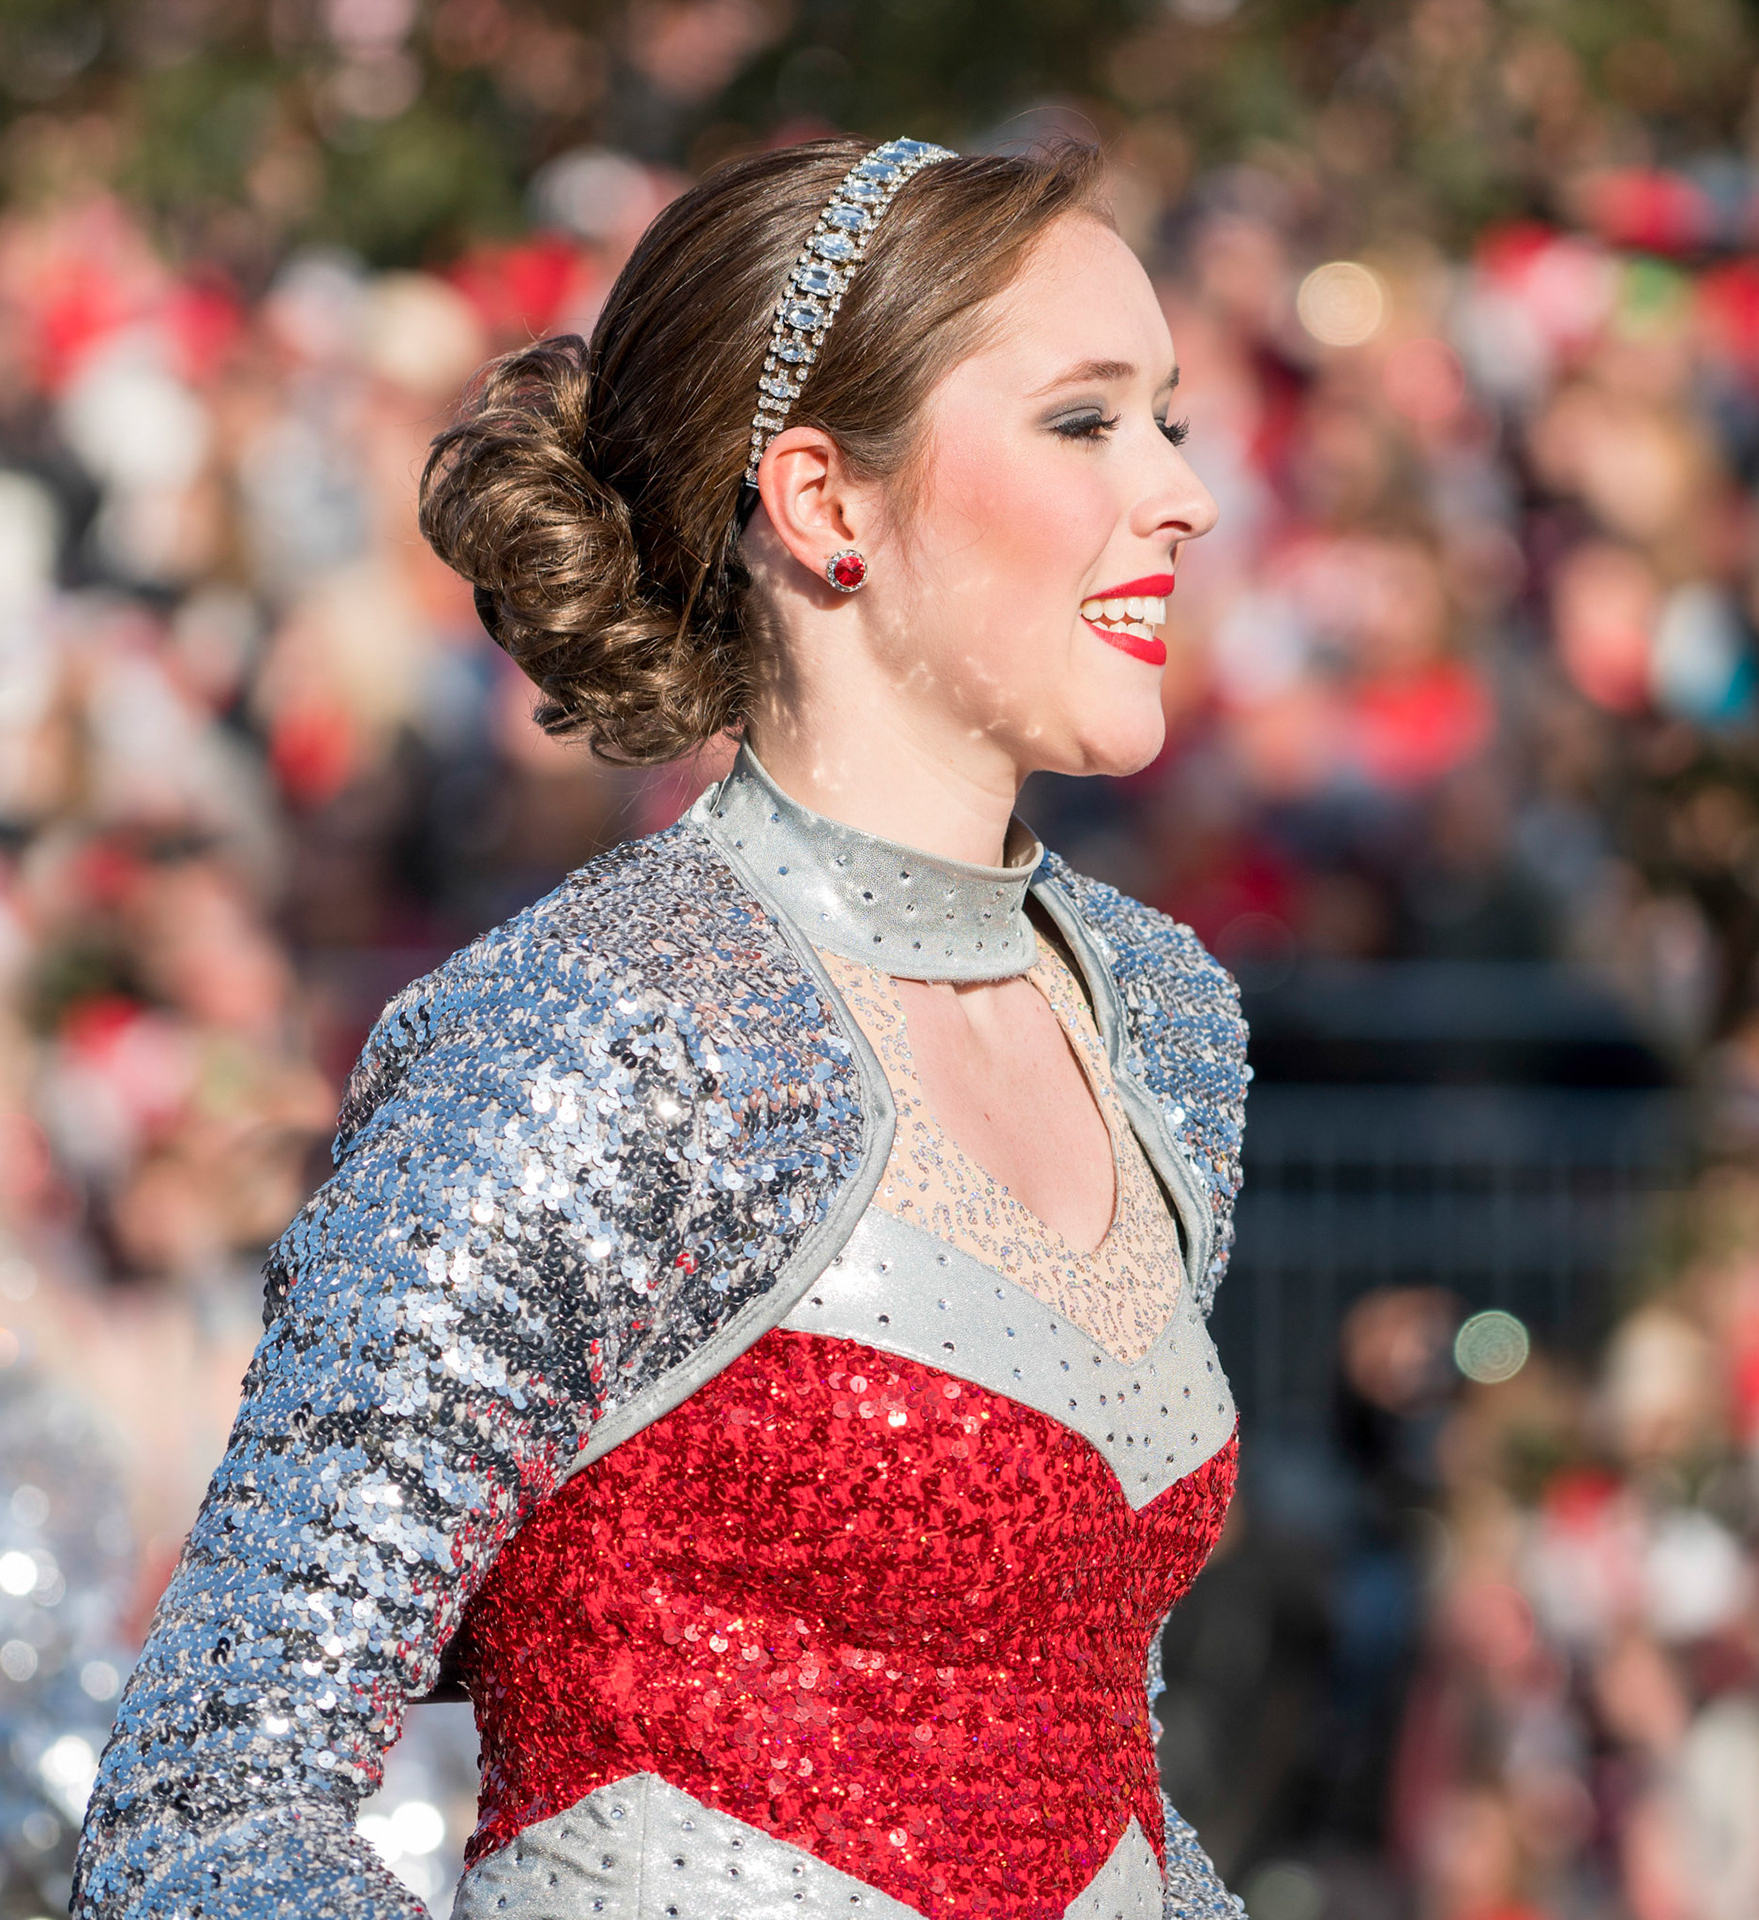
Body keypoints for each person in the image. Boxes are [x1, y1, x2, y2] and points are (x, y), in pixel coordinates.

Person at [73, 135, 1250, 1920]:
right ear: (825, 503)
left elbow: (1097, 1776)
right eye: (1087, 423)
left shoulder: (1167, 1021)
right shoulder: (595, 1031)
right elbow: (213, 1806)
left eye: (1172, 419)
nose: (1181, 495)